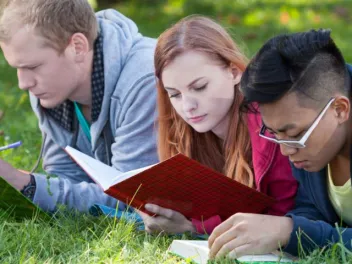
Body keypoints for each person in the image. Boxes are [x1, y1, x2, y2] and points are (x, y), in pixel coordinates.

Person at [137, 16, 298, 237]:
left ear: (234, 73)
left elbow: (282, 216)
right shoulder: (182, 129)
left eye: (200, 87)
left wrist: (195, 228)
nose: (187, 106)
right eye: (174, 94)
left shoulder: (270, 125)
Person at [0, 0, 158, 212]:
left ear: (77, 47)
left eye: (33, 66)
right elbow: (66, 177)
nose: (24, 83)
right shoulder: (52, 89)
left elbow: (132, 195)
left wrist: (21, 181)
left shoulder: (144, 81)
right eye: (18, 68)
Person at [209, 29, 352, 258]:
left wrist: (289, 230)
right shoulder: (312, 143)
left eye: (295, 134)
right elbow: (311, 207)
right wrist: (279, 228)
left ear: (339, 109)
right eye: (275, 133)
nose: (286, 150)